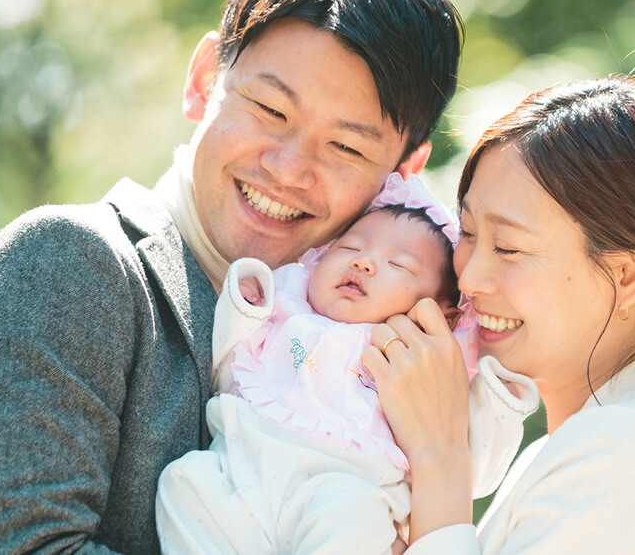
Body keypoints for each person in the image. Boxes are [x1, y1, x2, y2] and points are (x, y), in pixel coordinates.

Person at [0, 0, 463, 553]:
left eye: (345, 147)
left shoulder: (395, 363)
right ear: (206, 78)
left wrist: (441, 459)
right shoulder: (70, 266)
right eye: (268, 108)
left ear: (402, 174)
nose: (288, 169)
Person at [363, 75, 635, 553]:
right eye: (467, 232)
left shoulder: (622, 454)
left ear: (632, 275)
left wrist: (439, 456)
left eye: (508, 248)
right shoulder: (577, 446)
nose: (469, 279)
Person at [155, 173, 537, 554]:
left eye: (399, 265)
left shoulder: (421, 365)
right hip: (241, 471)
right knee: (183, 482)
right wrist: (244, 304)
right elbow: (224, 365)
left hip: (342, 489)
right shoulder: (287, 302)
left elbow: (472, 469)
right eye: (350, 248)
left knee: (352, 522)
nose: (365, 263)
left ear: (441, 314)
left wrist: (497, 401)